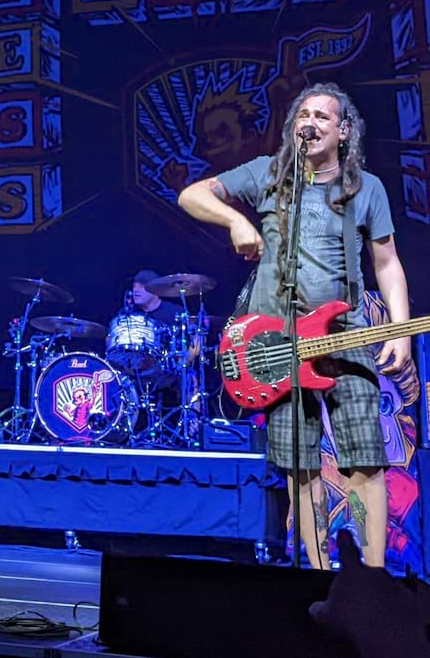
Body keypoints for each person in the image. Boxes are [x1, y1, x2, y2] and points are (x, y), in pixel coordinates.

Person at [178, 82, 412, 569]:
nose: (310, 123)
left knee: (365, 462)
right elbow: (192, 194)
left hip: (345, 334)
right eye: (303, 115)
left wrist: (401, 328)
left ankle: (369, 581)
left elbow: (387, 262)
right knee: (300, 469)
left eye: (323, 117)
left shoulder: (367, 188)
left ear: (344, 131)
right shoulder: (266, 174)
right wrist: (235, 222)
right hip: (275, 344)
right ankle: (320, 576)